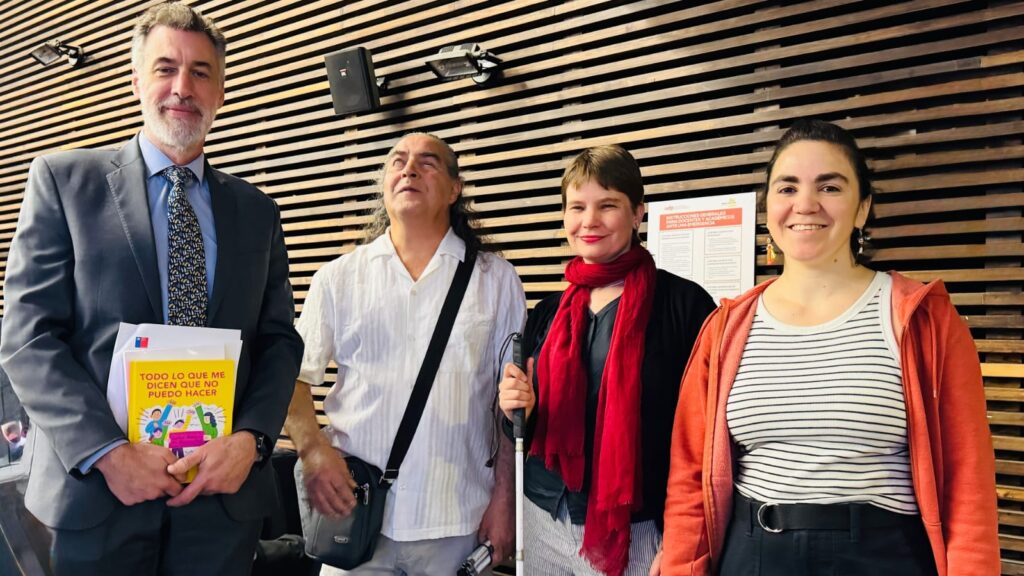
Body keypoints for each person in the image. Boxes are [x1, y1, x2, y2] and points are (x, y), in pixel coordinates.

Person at [0, 3, 304, 574]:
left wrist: (252, 440)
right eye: (165, 68)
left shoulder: (257, 211)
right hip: (98, 497)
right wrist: (108, 453)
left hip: (219, 503)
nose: (182, 87)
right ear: (137, 79)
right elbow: (27, 337)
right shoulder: (64, 182)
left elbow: (279, 341)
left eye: (200, 72)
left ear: (220, 91)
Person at [660, 119, 999, 575]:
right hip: (753, 553)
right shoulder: (725, 327)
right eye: (787, 188)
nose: (805, 204)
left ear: (863, 208)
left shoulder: (925, 319)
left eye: (830, 186)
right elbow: (689, 476)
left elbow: (967, 482)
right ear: (768, 208)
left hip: (883, 556)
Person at [285, 132, 526, 575]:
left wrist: (506, 500)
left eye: (428, 162)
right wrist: (313, 450)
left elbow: (507, 406)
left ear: (455, 189)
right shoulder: (338, 278)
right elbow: (292, 378)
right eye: (397, 161)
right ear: (384, 182)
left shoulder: (497, 280)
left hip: (456, 522)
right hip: (355, 519)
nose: (409, 169)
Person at [497, 145, 715, 576]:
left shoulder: (685, 306)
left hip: (638, 529)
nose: (589, 221)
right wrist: (514, 409)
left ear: (638, 213)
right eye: (577, 207)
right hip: (542, 514)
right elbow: (522, 428)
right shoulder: (548, 312)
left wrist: (680, 539)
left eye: (608, 205)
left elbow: (704, 438)